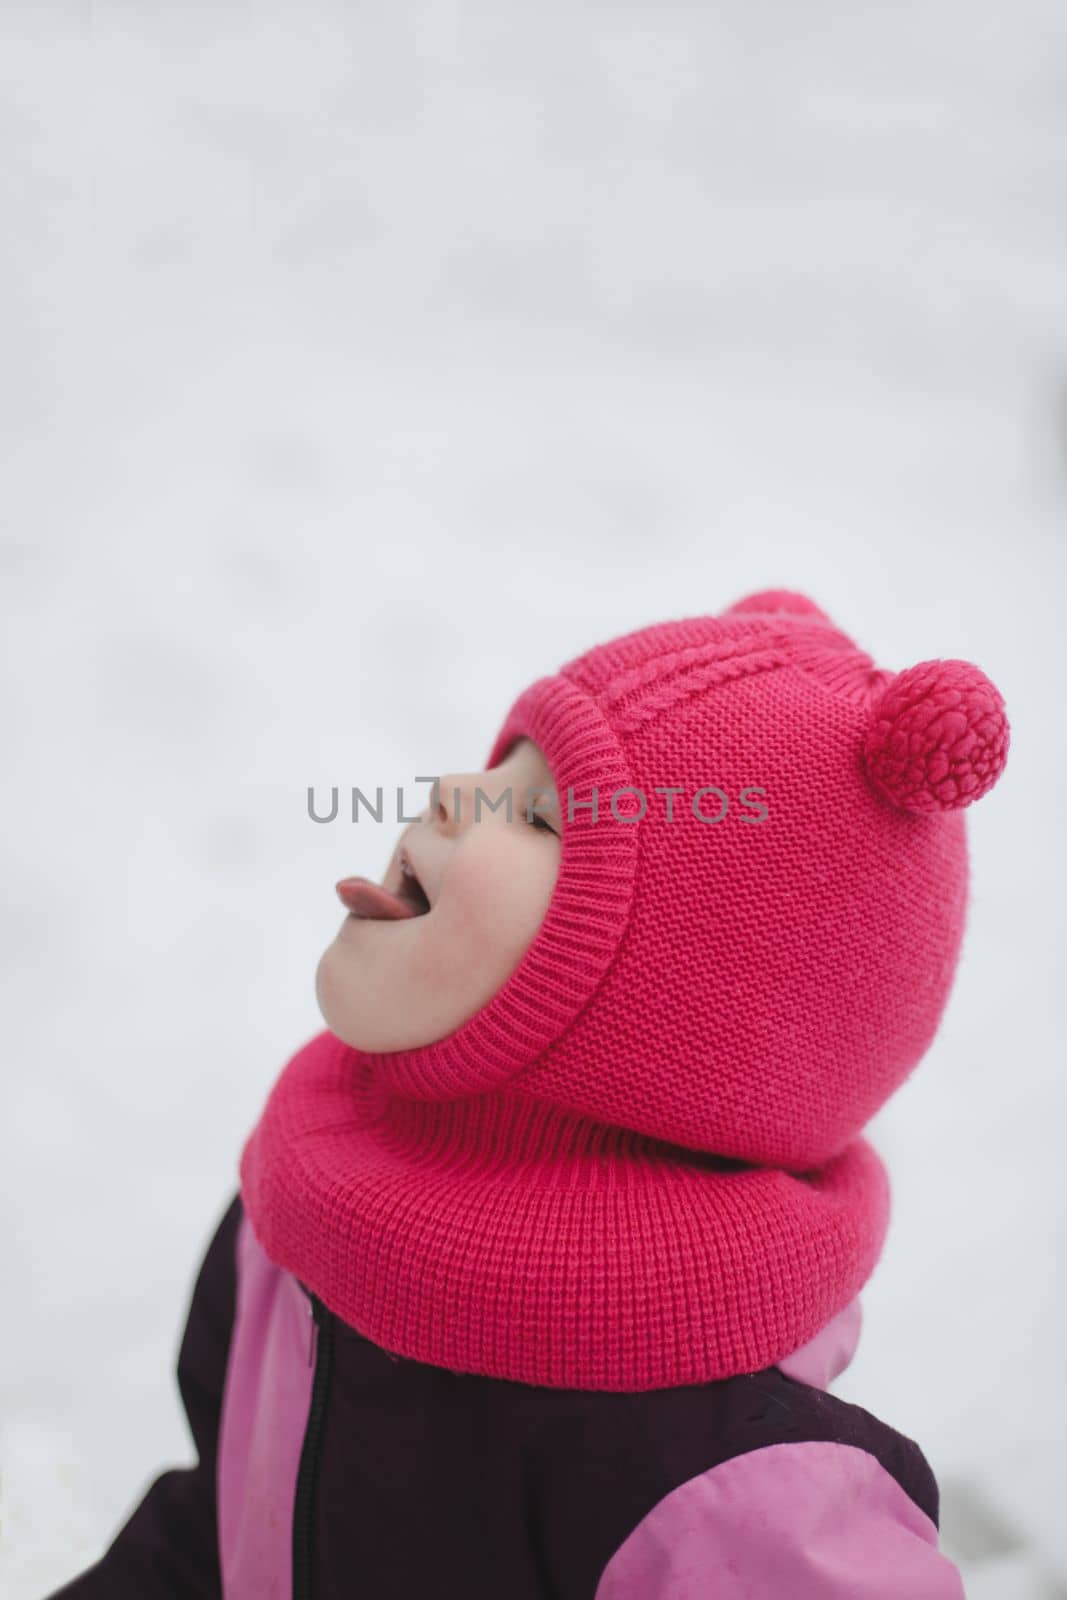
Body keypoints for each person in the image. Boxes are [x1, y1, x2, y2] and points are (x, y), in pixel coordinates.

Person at [49, 588, 1009, 1599]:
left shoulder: (722, 1489)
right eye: (497, 762)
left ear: (674, 1014)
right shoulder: (303, 1224)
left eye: (542, 813)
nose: (453, 793)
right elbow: (229, 1534)